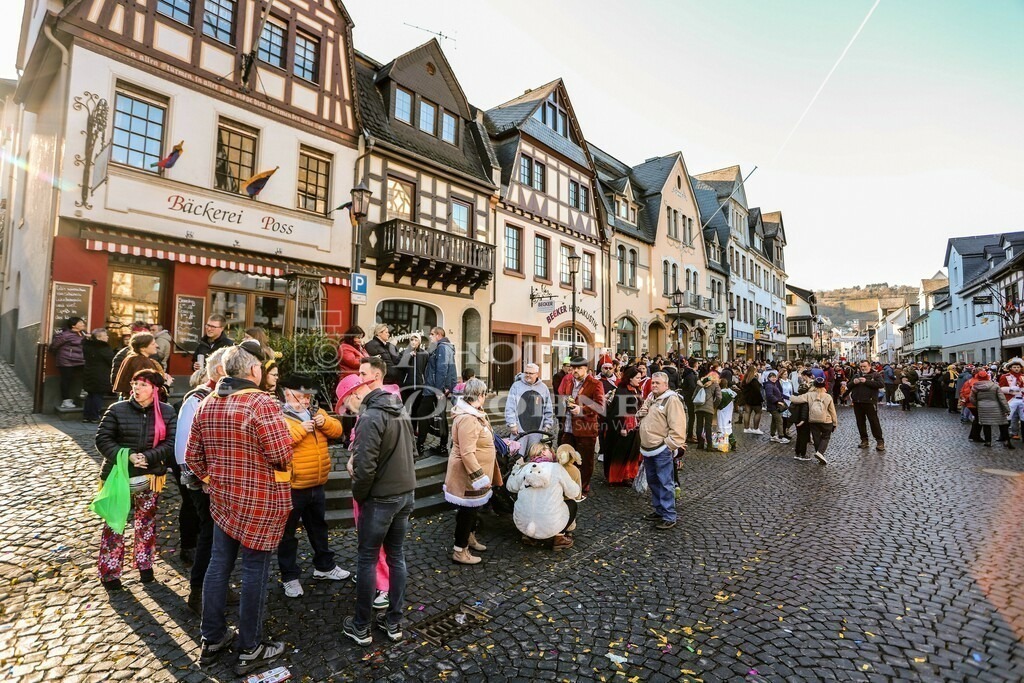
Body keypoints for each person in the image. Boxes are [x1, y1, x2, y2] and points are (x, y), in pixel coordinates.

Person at [185, 345, 293, 675]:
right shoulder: (261, 403)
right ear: (252, 371)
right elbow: (281, 454)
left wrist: (210, 480)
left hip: (222, 501)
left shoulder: (206, 403)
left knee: (219, 566)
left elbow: (193, 457)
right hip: (259, 501)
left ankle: (212, 637)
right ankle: (250, 647)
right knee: (254, 571)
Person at [341, 356, 417, 647]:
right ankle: (394, 622)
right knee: (396, 556)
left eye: (348, 402)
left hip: (382, 498)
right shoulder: (397, 406)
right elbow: (411, 448)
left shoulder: (371, 416)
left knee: (367, 560)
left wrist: (360, 495)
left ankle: (361, 626)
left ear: (358, 393)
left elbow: (365, 466)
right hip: (405, 494)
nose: (349, 408)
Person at [94, 369, 177, 589]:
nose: (137, 388)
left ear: (155, 389)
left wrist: (147, 457)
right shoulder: (117, 409)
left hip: (150, 476)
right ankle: (110, 573)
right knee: (114, 523)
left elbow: (170, 443)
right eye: (135, 384)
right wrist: (128, 456)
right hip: (119, 476)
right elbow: (102, 439)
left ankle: (145, 565)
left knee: (146, 522)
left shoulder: (167, 412)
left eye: (143, 385)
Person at [277, 374, 349, 598]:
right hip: (292, 486)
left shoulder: (318, 412)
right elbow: (279, 443)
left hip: (317, 484)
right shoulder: (279, 416)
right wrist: (302, 430)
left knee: (319, 528)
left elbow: (338, 431)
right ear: (288, 395)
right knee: (287, 534)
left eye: (308, 397)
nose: (306, 401)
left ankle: (324, 567)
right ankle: (290, 577)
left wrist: (324, 422)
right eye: (301, 397)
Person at [174, 347, 230, 614]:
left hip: (217, 480)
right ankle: (199, 592)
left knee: (219, 536)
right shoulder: (197, 399)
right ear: (220, 371)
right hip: (203, 482)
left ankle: (215, 586)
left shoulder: (222, 397)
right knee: (209, 535)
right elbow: (184, 448)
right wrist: (202, 478)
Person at [444, 377, 500, 565]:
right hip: (470, 475)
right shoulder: (468, 418)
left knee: (472, 510)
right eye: (485, 394)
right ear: (480, 395)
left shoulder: (474, 413)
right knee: (467, 512)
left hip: (475, 474)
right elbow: (467, 453)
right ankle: (460, 550)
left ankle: (469, 538)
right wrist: (479, 477)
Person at [506, 442, 581, 550]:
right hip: (550, 525)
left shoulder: (525, 468)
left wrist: (516, 470)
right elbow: (574, 492)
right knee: (572, 504)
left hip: (524, 525)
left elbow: (511, 487)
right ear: (544, 451)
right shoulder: (557, 468)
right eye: (551, 450)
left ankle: (529, 536)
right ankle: (559, 537)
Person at [637, 372, 687, 530]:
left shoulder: (671, 400)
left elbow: (678, 427)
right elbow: (641, 414)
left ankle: (669, 515)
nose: (654, 385)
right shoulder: (651, 397)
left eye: (658, 383)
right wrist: (640, 415)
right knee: (653, 481)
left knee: (665, 482)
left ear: (666, 385)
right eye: (653, 383)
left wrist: (669, 445)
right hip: (648, 448)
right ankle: (659, 510)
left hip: (661, 448)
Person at [558, 357, 605, 499]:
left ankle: (583, 488)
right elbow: (562, 397)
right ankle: (567, 486)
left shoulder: (595, 383)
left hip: (585, 429)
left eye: (578, 368)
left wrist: (582, 409)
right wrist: (564, 404)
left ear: (586, 369)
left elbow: (600, 407)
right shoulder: (568, 381)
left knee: (585, 461)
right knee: (564, 458)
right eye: (573, 368)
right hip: (567, 427)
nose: (575, 371)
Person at [603, 366, 643, 484]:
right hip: (623, 426)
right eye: (637, 378)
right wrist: (621, 427)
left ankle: (629, 474)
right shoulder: (622, 390)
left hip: (634, 426)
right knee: (621, 453)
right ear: (630, 378)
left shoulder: (637, 389)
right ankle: (618, 477)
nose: (639, 380)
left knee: (632, 451)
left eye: (640, 378)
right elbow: (616, 411)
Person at [505, 363, 555, 456]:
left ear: (537, 374)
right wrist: (512, 424)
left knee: (535, 456)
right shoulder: (516, 386)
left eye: (531, 373)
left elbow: (548, 408)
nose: (527, 375)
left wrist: (547, 425)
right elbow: (510, 406)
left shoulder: (543, 388)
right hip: (519, 429)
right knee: (517, 456)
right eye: (526, 372)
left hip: (537, 429)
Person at [423, 326, 458, 457]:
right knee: (440, 416)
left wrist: (438, 391)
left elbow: (442, 370)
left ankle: (440, 447)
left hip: (435, 388)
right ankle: (442, 446)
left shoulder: (442, 347)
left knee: (436, 416)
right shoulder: (444, 347)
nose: (430, 337)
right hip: (439, 388)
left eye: (431, 334)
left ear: (438, 335)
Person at [790, 377, 838, 465]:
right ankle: (820, 452)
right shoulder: (828, 396)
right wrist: (835, 423)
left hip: (813, 420)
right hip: (826, 421)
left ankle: (818, 452)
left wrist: (790, 395)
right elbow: (832, 411)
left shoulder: (809, 395)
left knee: (816, 437)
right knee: (826, 437)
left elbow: (796, 400)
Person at [397, 335, 430, 454]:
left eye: (416, 340)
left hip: (419, 387)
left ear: (420, 342)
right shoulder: (403, 353)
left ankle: (413, 431)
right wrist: (408, 356)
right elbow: (399, 367)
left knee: (416, 411)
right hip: (407, 386)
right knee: (405, 410)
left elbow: (426, 368)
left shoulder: (424, 354)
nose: (413, 342)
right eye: (412, 339)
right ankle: (406, 432)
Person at [113, 333, 168, 398]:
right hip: (141, 401)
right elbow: (146, 386)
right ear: (143, 348)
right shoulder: (142, 361)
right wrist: (167, 384)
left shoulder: (132, 358)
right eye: (153, 344)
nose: (156, 345)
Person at [849, 360, 885, 452]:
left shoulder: (876, 375)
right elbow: (849, 385)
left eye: (864, 366)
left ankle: (879, 441)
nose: (863, 368)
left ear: (869, 366)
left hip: (870, 402)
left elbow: (881, 384)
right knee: (860, 422)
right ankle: (864, 440)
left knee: (874, 422)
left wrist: (866, 381)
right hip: (857, 402)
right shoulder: (857, 375)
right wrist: (854, 382)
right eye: (861, 366)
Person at [51, 316, 87, 409]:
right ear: (73, 325)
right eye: (80, 322)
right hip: (66, 361)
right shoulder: (65, 335)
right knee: (66, 379)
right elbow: (54, 346)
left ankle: (84, 391)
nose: (83, 324)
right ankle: (65, 401)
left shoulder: (83, 333)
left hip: (79, 360)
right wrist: (62, 355)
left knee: (87, 373)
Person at [971, 371, 1013, 449]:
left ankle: (988, 441)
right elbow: (1002, 398)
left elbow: (972, 398)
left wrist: (978, 404)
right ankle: (1006, 440)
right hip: (996, 407)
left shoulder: (975, 387)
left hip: (983, 407)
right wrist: (1007, 409)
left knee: (986, 425)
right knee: (1002, 424)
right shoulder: (995, 386)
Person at [82, 328, 115, 423]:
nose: (107, 337)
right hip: (101, 374)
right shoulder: (103, 347)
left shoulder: (88, 346)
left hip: (89, 373)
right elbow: (111, 360)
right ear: (99, 337)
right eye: (105, 335)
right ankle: (95, 416)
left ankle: (86, 416)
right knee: (98, 395)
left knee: (90, 395)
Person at [693, 373, 722, 451]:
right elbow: (719, 397)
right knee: (708, 426)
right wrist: (714, 405)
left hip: (699, 408)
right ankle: (709, 445)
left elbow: (693, 396)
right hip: (709, 408)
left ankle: (700, 443)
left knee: (699, 425)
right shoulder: (715, 384)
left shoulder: (700, 383)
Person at [997, 358, 1024, 438]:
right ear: (1010, 368)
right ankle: (1004, 436)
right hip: (1011, 399)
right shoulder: (1005, 376)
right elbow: (1000, 388)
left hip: (1022, 399)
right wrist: (1011, 389)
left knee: (1023, 418)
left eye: (1018, 367)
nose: (1016, 369)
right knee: (1007, 418)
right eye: (1014, 367)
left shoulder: (1023, 376)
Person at [789, 379, 813, 461]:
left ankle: (797, 452)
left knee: (799, 436)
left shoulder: (796, 398)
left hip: (796, 420)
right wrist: (803, 420)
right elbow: (804, 411)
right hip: (803, 421)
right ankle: (802, 454)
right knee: (804, 437)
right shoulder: (805, 400)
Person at [763, 371, 790, 444]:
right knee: (779, 420)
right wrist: (777, 401)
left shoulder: (773, 384)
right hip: (774, 406)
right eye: (772, 377)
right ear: (769, 378)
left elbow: (779, 394)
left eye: (774, 377)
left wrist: (788, 397)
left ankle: (773, 435)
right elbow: (769, 396)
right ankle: (781, 437)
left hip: (775, 406)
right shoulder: (769, 385)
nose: (774, 378)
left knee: (774, 421)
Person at [740, 365, 764, 434]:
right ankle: (756, 428)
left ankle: (746, 428)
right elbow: (757, 390)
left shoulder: (745, 379)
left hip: (747, 399)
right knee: (758, 412)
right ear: (754, 371)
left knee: (747, 413)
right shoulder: (754, 380)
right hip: (755, 399)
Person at [716, 378, 738, 452]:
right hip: (729, 412)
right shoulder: (731, 393)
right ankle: (733, 442)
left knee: (721, 428)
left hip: (722, 412)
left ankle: (723, 446)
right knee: (728, 428)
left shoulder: (721, 393)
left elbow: (719, 404)